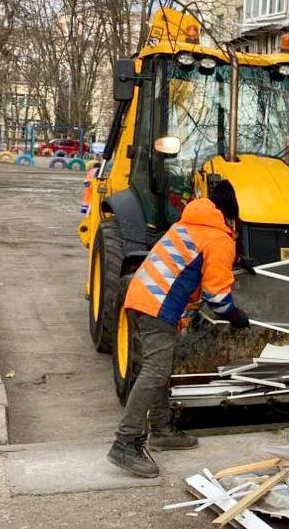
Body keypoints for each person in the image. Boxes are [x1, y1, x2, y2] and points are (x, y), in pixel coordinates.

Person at [106, 180, 249, 478]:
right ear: (230, 216)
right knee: (155, 371)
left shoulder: (189, 224)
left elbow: (185, 266)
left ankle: (160, 428)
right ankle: (126, 441)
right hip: (157, 304)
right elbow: (217, 297)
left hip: (141, 295)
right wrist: (236, 317)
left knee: (158, 367)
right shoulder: (219, 239)